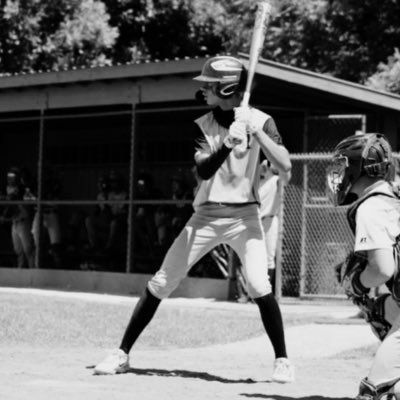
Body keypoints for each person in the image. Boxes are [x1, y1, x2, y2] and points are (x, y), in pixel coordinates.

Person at [94, 55, 295, 383]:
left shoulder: (262, 120)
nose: (204, 90)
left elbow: (285, 166)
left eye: (210, 86)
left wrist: (256, 132)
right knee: (161, 282)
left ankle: (283, 360)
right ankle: (122, 354)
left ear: (227, 87)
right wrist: (230, 142)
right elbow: (203, 170)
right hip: (205, 217)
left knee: (259, 284)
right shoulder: (202, 124)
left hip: (246, 217)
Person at [329, 133, 400, 400]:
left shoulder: (371, 206)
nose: (339, 172)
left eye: (344, 165)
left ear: (359, 169)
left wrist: (356, 283)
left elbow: (383, 269)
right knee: (381, 309)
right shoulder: (394, 194)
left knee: (375, 394)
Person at [259, 159, 291, 294]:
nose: (264, 168)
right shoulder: (259, 183)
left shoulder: (277, 180)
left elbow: (286, 176)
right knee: (253, 257)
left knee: (268, 258)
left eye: (267, 166)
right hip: (255, 221)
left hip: (269, 221)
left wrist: (278, 162)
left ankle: (266, 292)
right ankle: (253, 292)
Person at [0, 167, 35, 268]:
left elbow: (32, 200)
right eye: (9, 176)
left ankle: (33, 272)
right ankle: (20, 273)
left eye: (13, 176)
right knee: (18, 250)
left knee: (28, 249)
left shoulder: (23, 188)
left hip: (23, 221)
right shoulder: (4, 188)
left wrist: (19, 198)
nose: (10, 178)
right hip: (13, 222)